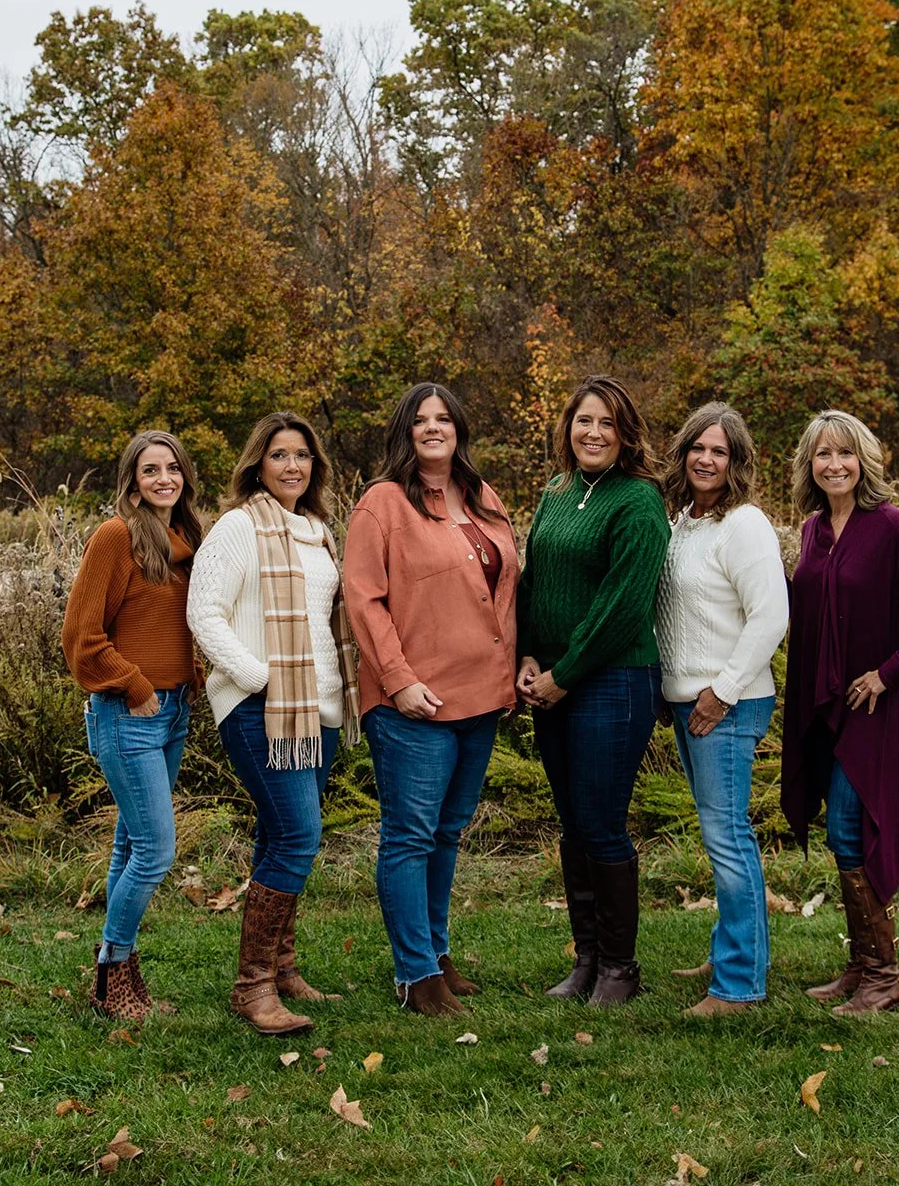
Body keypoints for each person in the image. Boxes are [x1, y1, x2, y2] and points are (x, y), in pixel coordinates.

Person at [781, 410, 899, 1015]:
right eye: (822, 455)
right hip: (828, 708)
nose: (834, 464)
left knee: (848, 828)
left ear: (864, 460)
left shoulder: (892, 528)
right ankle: (863, 966)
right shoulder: (814, 531)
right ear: (809, 466)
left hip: (875, 709)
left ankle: (884, 976)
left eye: (845, 453)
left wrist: (890, 673)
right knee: (844, 831)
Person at [343, 383, 519, 1017]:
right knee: (410, 836)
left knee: (447, 833)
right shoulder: (382, 505)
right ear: (405, 433)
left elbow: (501, 593)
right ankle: (414, 975)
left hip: (480, 697)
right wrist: (398, 679)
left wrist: (509, 673)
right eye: (421, 420)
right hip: (413, 703)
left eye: (445, 417)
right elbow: (364, 599)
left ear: (459, 429)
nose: (434, 428)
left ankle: (437, 955)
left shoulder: (482, 498)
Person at [187, 411, 360, 1036]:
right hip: (262, 708)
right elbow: (204, 614)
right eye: (281, 455)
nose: (293, 466)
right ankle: (251, 987)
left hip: (321, 710)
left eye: (303, 456)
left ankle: (282, 970)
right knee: (298, 835)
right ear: (257, 463)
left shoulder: (318, 531)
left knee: (278, 835)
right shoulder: (238, 528)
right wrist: (260, 678)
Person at [516, 375, 670, 1005]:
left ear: (625, 432)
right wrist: (528, 654)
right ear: (568, 428)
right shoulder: (556, 492)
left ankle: (620, 969)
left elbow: (622, 607)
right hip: (551, 682)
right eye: (585, 421)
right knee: (573, 825)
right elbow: (534, 580)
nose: (594, 433)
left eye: (607, 423)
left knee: (602, 824)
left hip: (612, 683)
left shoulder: (639, 502)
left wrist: (563, 674)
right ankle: (585, 960)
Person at [63, 430, 203, 1022]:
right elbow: (81, 636)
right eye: (151, 470)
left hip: (173, 713)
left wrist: (189, 681)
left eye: (172, 468)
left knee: (129, 844)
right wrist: (136, 685)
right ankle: (110, 972)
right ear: (133, 480)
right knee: (155, 851)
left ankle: (117, 979)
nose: (163, 479)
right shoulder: (117, 537)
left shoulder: (189, 540)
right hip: (129, 713)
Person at [655, 403, 788, 1016]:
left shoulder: (746, 525)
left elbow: (771, 617)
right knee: (720, 836)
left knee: (728, 837)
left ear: (736, 462)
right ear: (684, 453)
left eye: (720, 451)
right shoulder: (683, 522)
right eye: (697, 448)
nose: (706, 460)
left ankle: (739, 984)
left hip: (726, 704)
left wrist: (722, 690)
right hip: (689, 700)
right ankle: (736, 949)